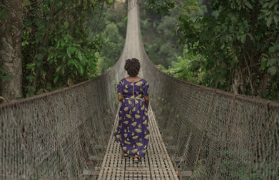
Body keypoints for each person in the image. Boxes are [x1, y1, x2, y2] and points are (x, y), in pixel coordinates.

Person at [113, 58, 150, 163]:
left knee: (126, 127)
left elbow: (120, 98)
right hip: (140, 107)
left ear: (126, 69)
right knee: (140, 128)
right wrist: (146, 107)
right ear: (138, 69)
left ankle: (126, 151)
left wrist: (127, 100)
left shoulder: (122, 83)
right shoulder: (144, 82)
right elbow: (146, 98)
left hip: (126, 106)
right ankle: (136, 155)